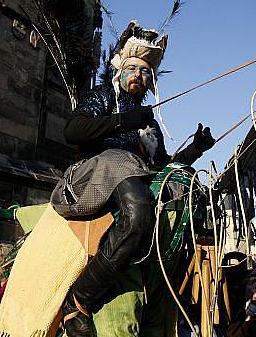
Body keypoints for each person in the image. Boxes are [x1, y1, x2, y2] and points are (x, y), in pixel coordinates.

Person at [54, 20, 215, 335]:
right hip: (97, 172)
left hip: (132, 175)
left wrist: (195, 150)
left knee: (184, 181)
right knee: (130, 184)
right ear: (120, 72)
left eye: (145, 73)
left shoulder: (149, 123)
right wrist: (121, 121)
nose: (139, 76)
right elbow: (72, 131)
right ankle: (79, 300)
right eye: (134, 70)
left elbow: (161, 166)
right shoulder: (102, 96)